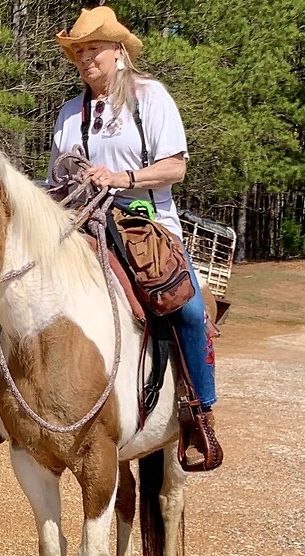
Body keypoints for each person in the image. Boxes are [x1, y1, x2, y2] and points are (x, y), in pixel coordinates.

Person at [49, 6, 219, 467]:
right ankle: (9, 401)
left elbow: (176, 167)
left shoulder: (151, 98)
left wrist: (122, 177)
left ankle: (198, 414)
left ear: (119, 51)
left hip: (147, 224)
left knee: (187, 306)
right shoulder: (70, 112)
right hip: (82, 224)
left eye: (93, 49)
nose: (85, 59)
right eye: (78, 52)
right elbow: (54, 181)